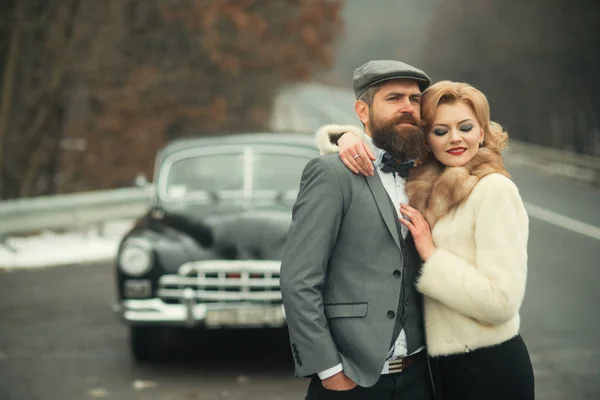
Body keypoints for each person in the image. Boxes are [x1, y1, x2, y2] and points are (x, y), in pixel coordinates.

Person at [316, 80, 535, 400]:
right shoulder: (427, 182)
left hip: (488, 365)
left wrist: (431, 254)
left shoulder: (494, 191)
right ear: (426, 138)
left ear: (483, 132)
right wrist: (347, 137)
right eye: (441, 130)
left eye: (465, 127)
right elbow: (377, 153)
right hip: (438, 368)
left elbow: (501, 303)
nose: (455, 138)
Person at [280, 60, 435, 399]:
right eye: (394, 98)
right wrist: (329, 370)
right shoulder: (331, 173)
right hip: (351, 379)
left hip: (420, 378)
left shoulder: (428, 172)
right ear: (362, 110)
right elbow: (299, 279)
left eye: (414, 99)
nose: (407, 107)